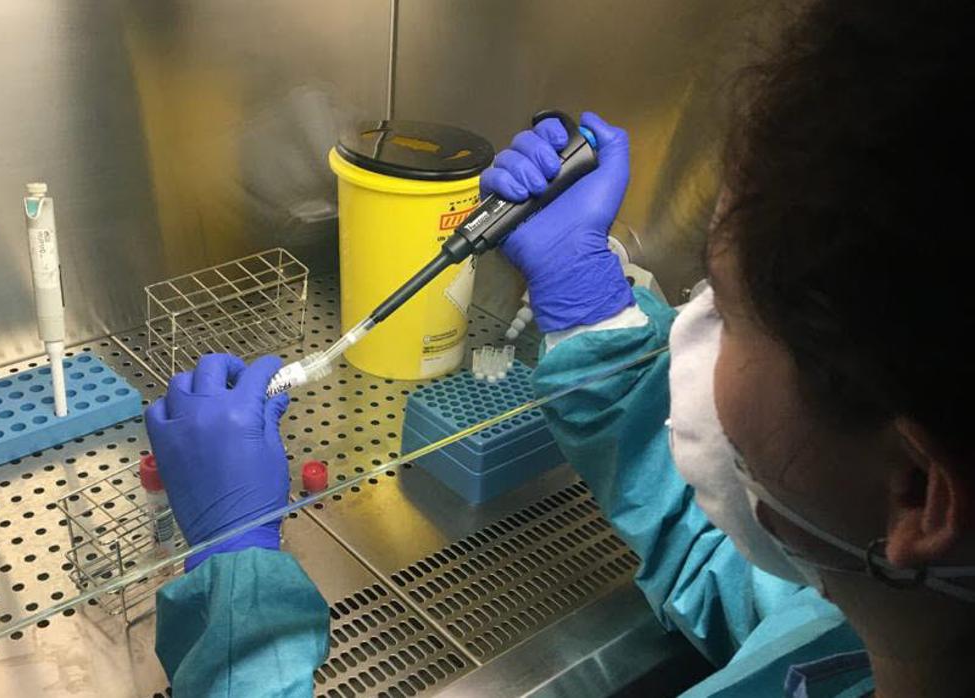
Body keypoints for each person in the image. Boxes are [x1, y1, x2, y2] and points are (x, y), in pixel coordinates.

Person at [144, 2, 975, 695]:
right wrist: (589, 306)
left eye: (727, 310)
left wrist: (237, 606)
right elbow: (748, 584)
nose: (684, 325)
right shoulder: (886, 622)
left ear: (916, 489)